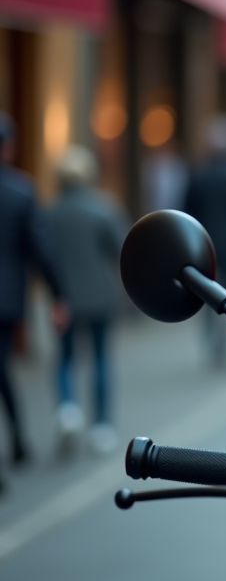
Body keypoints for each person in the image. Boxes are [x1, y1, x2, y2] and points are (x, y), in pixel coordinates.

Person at [45, 145, 128, 455]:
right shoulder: (104, 209)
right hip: (100, 295)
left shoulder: (50, 212)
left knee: (65, 358)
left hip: (64, 298)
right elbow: (121, 248)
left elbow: (44, 256)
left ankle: (68, 409)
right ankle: (102, 426)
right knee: (100, 358)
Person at [0, 113, 68, 476]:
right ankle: (18, 440)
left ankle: (18, 441)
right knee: (2, 368)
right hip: (8, 298)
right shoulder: (21, 190)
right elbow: (41, 248)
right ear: (8, 148)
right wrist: (59, 294)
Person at [184, 117, 226, 367]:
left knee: (207, 295)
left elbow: (187, 213)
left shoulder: (199, 175)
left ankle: (213, 342)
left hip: (204, 245)